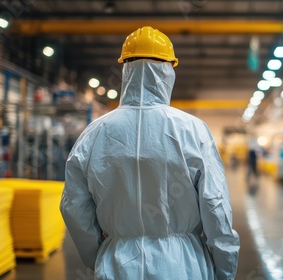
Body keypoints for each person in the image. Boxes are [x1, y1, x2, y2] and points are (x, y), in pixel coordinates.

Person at [60, 26, 239, 280]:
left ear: (126, 70)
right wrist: (225, 270)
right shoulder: (193, 131)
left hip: (117, 266)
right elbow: (216, 208)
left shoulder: (94, 133)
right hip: (182, 267)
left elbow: (74, 207)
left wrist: (100, 255)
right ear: (168, 71)